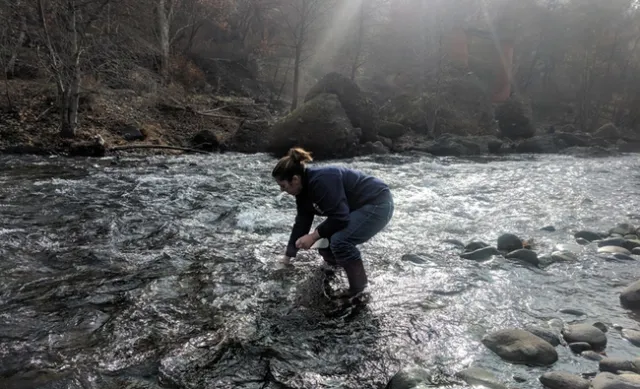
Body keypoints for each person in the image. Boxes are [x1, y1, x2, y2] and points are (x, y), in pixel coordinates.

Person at [272, 147, 394, 298]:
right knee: (325, 242)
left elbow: (340, 217)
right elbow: (302, 222)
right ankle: (334, 270)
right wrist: (288, 257)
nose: (282, 190)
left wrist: (313, 236)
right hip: (357, 207)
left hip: (378, 203)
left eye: (283, 185)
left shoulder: (322, 180)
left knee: (339, 241)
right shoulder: (302, 192)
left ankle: (358, 292)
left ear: (295, 179)